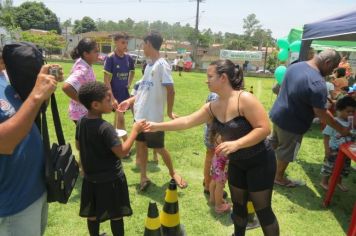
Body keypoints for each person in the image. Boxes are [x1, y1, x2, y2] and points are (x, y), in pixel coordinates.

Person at [145, 59, 279, 236]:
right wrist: (156, 126)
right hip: (238, 164)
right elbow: (186, 121)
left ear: (223, 77)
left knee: (262, 210)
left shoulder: (244, 99)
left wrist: (236, 144)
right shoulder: (213, 106)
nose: (206, 80)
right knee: (238, 208)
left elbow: (264, 129)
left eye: (210, 76)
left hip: (260, 162)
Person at [118, 31, 187, 191]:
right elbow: (141, 91)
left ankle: (172, 173)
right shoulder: (148, 66)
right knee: (141, 147)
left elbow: (171, 90)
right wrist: (128, 101)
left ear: (149, 44)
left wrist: (169, 113)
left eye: (143, 44)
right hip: (140, 117)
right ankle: (143, 177)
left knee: (159, 148)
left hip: (153, 119)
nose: (142, 48)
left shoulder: (161, 65)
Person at [269, 49, 349, 187]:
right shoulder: (317, 82)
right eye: (333, 67)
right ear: (327, 62)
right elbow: (321, 113)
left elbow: (284, 89)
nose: (332, 72)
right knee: (286, 152)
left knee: (274, 143)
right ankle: (278, 177)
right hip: (293, 124)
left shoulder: (295, 66)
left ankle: (265, 167)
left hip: (278, 114)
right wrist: (341, 128)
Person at [76, 81, 145, 236]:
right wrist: (134, 131)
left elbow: (79, 145)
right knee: (116, 214)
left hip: (90, 178)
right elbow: (122, 152)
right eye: (108, 100)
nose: (112, 102)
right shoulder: (105, 128)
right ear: (95, 104)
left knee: (92, 213)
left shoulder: (81, 121)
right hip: (111, 179)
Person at [0, 64, 63, 236]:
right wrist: (36, 95)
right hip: (12, 203)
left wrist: (43, 93)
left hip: (34, 190)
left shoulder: (4, 78)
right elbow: (4, 143)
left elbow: (25, 115)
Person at [104, 32, 135, 147]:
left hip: (125, 94)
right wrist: (112, 98)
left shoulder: (128, 58)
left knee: (121, 119)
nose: (125, 45)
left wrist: (129, 83)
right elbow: (106, 80)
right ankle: (127, 144)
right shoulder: (111, 58)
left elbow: (132, 71)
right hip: (115, 95)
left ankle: (121, 144)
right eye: (123, 42)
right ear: (115, 42)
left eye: (126, 43)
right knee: (120, 120)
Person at [320, 96, 356, 191]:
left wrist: (352, 127)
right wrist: (327, 149)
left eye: (353, 112)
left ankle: (338, 182)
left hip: (347, 151)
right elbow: (326, 136)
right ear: (339, 110)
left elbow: (352, 134)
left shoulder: (351, 123)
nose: (351, 114)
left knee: (343, 168)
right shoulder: (334, 122)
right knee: (329, 166)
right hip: (334, 149)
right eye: (348, 112)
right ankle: (324, 182)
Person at [62, 38, 98, 124]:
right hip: (82, 114)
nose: (98, 54)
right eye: (95, 51)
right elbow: (66, 87)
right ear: (86, 54)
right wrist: (84, 102)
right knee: (87, 137)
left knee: (83, 137)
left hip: (83, 113)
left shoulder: (84, 63)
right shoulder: (83, 69)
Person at [208, 135, 231, 214]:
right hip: (222, 165)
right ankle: (219, 206)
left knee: (214, 181)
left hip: (216, 161)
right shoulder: (226, 136)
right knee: (220, 186)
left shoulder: (219, 133)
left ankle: (212, 199)